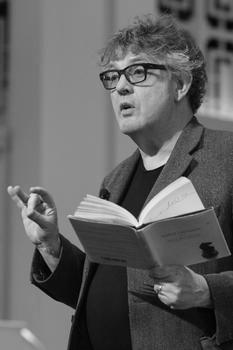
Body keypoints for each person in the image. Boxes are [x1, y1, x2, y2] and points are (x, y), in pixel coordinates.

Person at [7, 13, 233, 350]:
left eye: (138, 72)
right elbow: (107, 293)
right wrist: (51, 245)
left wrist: (205, 290)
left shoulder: (225, 157)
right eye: (112, 77)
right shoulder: (115, 179)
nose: (121, 87)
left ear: (181, 83)